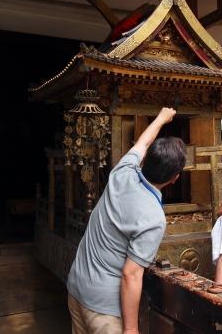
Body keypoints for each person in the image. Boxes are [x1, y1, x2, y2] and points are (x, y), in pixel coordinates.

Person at [67, 107, 186, 334]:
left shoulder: (123, 172)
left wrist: (160, 118)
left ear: (146, 159)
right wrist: (131, 329)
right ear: (174, 179)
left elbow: (141, 143)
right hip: (102, 310)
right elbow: (131, 274)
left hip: (77, 288)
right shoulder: (153, 217)